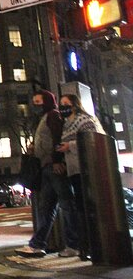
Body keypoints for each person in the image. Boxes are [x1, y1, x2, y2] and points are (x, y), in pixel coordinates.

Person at [16, 89, 79, 258]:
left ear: (47, 101)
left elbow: (59, 137)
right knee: (46, 208)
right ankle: (38, 245)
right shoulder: (44, 118)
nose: (35, 105)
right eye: (34, 102)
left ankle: (73, 245)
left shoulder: (53, 116)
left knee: (66, 205)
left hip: (54, 166)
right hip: (46, 167)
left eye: (38, 102)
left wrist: (58, 159)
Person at [56, 94, 105, 261]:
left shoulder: (84, 120)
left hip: (87, 169)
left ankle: (94, 246)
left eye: (66, 104)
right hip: (73, 170)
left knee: (89, 207)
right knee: (81, 208)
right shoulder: (66, 125)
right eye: (61, 104)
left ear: (75, 105)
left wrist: (70, 145)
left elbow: (92, 140)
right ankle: (86, 246)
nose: (62, 107)